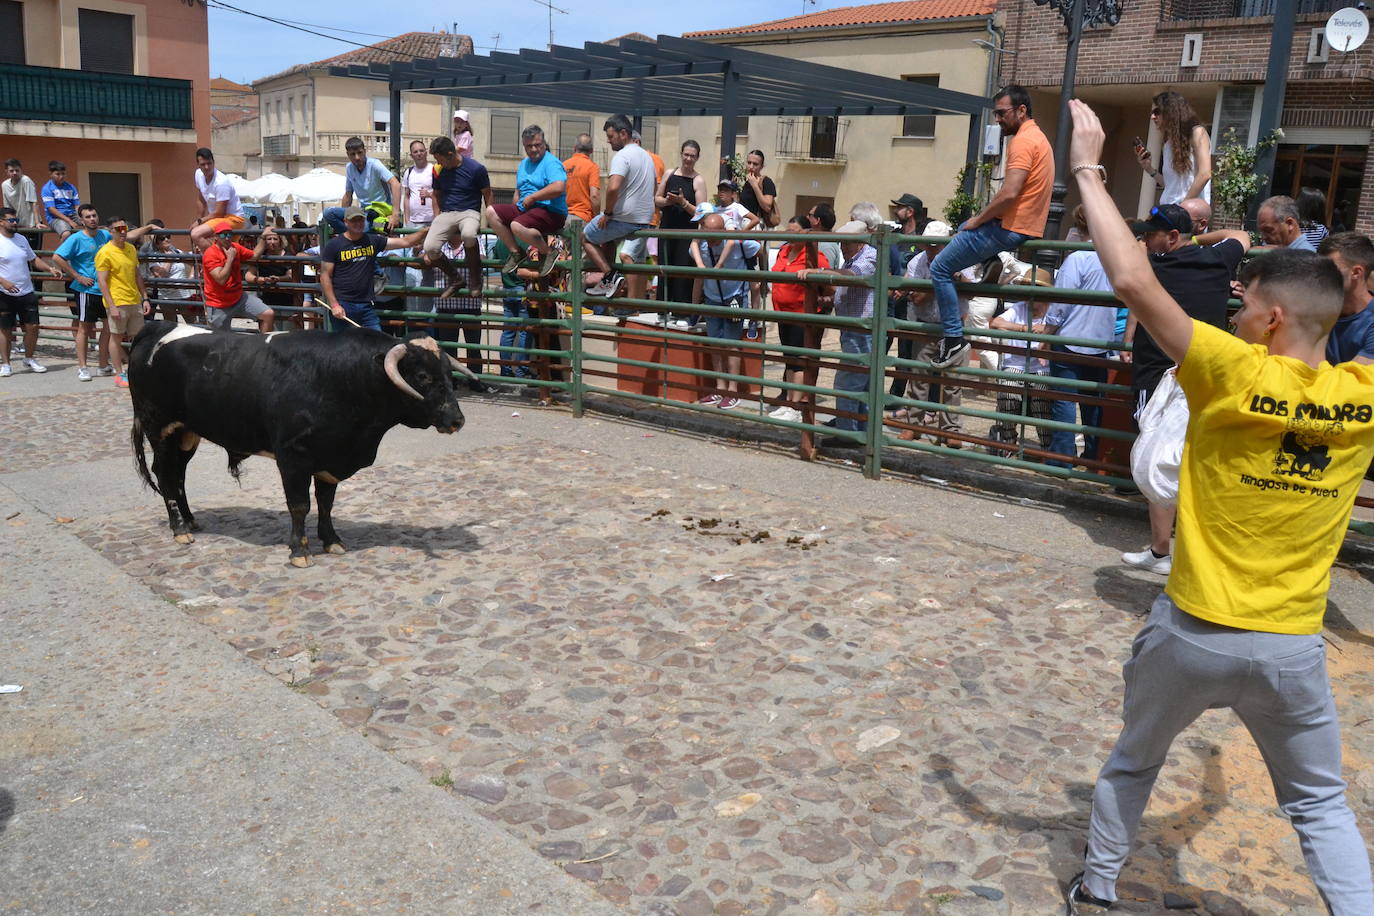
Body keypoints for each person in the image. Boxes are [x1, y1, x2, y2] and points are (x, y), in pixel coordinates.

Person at [1063, 96, 1374, 916]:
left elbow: (1132, 277)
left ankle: (1097, 891)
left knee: (1134, 763)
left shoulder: (1231, 370)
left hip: (1194, 630)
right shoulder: (1365, 393)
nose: (1233, 313)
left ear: (1271, 319)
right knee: (1320, 806)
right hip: (1292, 651)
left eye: (1243, 305)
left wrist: (1088, 166)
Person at [1120, 203, 1248, 575]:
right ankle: (1184, 553)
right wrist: (1200, 241)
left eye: (1151, 235)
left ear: (1172, 237)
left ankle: (1162, 551)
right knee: (1191, 462)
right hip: (1203, 375)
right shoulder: (1217, 261)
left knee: (1157, 458)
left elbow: (1121, 265)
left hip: (1157, 376)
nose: (1144, 242)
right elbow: (1242, 235)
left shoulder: (1153, 267)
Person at [929, 84, 1053, 370]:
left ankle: (953, 339)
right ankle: (990, 264)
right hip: (1024, 226)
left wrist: (979, 219)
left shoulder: (1022, 141)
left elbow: (1009, 193)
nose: (997, 120)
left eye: (1001, 113)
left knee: (940, 267)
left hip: (1008, 227)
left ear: (1022, 110)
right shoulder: (1039, 138)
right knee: (963, 230)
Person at [52, 207, 154, 381]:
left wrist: (149, 227)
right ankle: (83, 367)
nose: (92, 219)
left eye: (94, 215)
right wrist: (77, 276)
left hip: (108, 292)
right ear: (81, 220)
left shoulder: (105, 234)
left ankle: (102, 364)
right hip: (87, 290)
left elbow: (127, 235)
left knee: (108, 329)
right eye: (88, 217)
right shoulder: (76, 238)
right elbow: (57, 257)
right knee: (85, 328)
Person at [798, 220, 876, 446]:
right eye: (842, 243)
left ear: (859, 243)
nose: (842, 247)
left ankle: (849, 434)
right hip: (856, 327)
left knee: (848, 383)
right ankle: (860, 431)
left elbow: (853, 275)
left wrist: (820, 272)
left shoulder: (869, 257)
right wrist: (833, 298)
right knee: (861, 384)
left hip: (860, 329)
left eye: (847, 244)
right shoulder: (857, 256)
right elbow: (853, 287)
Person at [1042, 235, 1117, 467]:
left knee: (1065, 400)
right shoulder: (1116, 260)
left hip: (1071, 337)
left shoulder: (1078, 258)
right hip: (1101, 341)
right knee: (1093, 401)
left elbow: (1061, 300)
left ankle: (1062, 458)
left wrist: (1047, 332)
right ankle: (1093, 457)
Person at [899, 220, 970, 446]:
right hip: (926, 325)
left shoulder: (963, 259)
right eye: (928, 246)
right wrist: (942, 277)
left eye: (935, 246)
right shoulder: (917, 262)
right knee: (919, 378)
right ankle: (914, 425)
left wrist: (947, 279)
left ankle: (949, 429)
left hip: (954, 327)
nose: (930, 250)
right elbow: (915, 297)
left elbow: (971, 291)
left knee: (952, 381)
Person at [690, 211, 760, 410]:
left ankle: (732, 391)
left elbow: (758, 249)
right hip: (712, 299)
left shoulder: (738, 241)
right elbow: (694, 253)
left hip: (734, 299)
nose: (710, 240)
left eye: (714, 236)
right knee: (714, 344)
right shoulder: (701, 243)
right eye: (707, 235)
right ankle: (719, 388)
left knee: (731, 345)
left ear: (724, 230)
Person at [318, 206, 428, 331]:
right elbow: (325, 276)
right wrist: (334, 304)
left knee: (376, 344)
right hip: (343, 303)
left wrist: (426, 231)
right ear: (345, 222)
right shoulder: (334, 245)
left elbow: (406, 242)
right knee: (345, 346)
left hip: (366, 304)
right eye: (353, 220)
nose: (358, 223)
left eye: (360, 220)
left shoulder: (372, 240)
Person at [584, 114, 656, 298]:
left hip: (623, 219)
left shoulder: (622, 156)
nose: (609, 141)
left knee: (583, 236)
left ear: (623, 133)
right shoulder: (647, 157)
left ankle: (609, 275)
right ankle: (634, 306)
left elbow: (613, 187)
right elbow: (654, 187)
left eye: (611, 136)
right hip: (644, 220)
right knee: (636, 260)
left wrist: (607, 212)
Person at [768, 214, 831, 423]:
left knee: (798, 361)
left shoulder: (813, 253)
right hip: (782, 313)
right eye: (789, 231)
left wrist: (813, 272)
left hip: (800, 314)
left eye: (795, 232)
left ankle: (795, 407)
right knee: (789, 357)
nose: (791, 236)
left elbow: (829, 280)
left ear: (806, 233)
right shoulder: (784, 251)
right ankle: (788, 401)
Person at [987, 270, 1056, 452]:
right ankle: (1009, 442)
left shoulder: (1054, 311)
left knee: (1042, 396)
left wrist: (1047, 331)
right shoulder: (1019, 308)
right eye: (1027, 289)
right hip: (1015, 364)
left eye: (1035, 289)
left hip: (1043, 366)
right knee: (1007, 393)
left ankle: (1047, 447)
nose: (1030, 295)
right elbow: (995, 323)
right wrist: (1025, 328)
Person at [486, 125, 567, 278]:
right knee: (491, 211)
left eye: (537, 145)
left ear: (544, 144)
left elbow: (558, 187)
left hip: (551, 211)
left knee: (517, 225)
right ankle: (516, 252)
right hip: (527, 209)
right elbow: (519, 191)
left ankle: (549, 252)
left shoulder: (551, 163)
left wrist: (534, 197)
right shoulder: (523, 164)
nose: (534, 149)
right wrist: (513, 209)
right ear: (524, 146)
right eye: (529, 146)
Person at [423, 135, 493, 295]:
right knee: (430, 247)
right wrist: (437, 217)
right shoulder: (439, 170)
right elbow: (436, 194)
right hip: (447, 213)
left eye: (439, 159)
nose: (438, 163)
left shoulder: (476, 169)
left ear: (450, 154)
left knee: (468, 235)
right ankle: (455, 278)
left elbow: (488, 194)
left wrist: (491, 217)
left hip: (469, 212)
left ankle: (475, 279)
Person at [0, 206, 63, 377]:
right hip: (4, 292)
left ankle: (29, 358)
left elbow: (33, 259)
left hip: (26, 291)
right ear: (1, 221)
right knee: (5, 329)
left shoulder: (21, 239)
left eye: (16, 220)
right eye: (11, 220)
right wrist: (3, 282)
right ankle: (5, 364)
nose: (15, 223)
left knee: (33, 327)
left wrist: (50, 268)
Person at [94, 216, 153, 386]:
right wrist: (112, 306)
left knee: (138, 337)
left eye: (125, 228)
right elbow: (102, 281)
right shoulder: (104, 252)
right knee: (116, 338)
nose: (123, 232)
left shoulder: (130, 248)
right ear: (110, 232)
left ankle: (136, 369)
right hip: (117, 301)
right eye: (119, 229)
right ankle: (119, 373)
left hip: (134, 299)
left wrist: (145, 298)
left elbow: (137, 275)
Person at [886, 193, 930, 400]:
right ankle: (873, 394)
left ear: (910, 212)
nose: (896, 210)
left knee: (905, 352)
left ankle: (896, 396)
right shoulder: (893, 235)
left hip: (910, 303)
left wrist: (903, 287)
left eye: (900, 207)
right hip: (889, 299)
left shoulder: (922, 236)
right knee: (880, 346)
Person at [654, 140, 707, 309]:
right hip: (667, 228)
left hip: (687, 232)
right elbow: (657, 199)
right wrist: (669, 202)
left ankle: (681, 311)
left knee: (683, 269)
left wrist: (683, 202)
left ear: (698, 158)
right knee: (664, 267)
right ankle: (663, 308)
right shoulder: (670, 173)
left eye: (692, 156)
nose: (688, 159)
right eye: (686, 154)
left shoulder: (698, 180)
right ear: (681, 154)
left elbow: (701, 213)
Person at [1135, 91, 1212, 204]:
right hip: (1169, 210)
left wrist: (1182, 207)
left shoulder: (1197, 133)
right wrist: (1149, 169)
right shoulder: (1168, 144)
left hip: (1188, 213)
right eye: (1152, 113)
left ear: (1171, 112)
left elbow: (1205, 174)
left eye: (1157, 112)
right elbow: (1171, 187)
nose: (1152, 117)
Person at [617, 130, 666, 302]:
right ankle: (639, 302)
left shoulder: (641, 158)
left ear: (635, 141)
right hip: (646, 217)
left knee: (629, 256)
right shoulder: (654, 159)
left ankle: (633, 303)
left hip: (640, 218)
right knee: (639, 260)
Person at [201, 219, 273, 333]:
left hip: (238, 298)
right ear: (216, 237)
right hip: (218, 303)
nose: (227, 237)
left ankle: (263, 346)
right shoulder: (211, 254)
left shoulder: (235, 247)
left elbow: (254, 255)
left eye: (230, 234)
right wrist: (230, 259)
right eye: (223, 234)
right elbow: (221, 280)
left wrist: (263, 237)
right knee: (221, 342)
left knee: (268, 314)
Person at [323, 137, 402, 237]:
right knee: (328, 213)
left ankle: (354, 235)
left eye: (360, 153)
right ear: (348, 155)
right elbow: (348, 195)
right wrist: (346, 219)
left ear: (365, 151)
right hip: (361, 212)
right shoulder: (349, 168)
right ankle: (351, 235)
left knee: (371, 225)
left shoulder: (374, 164)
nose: (357, 157)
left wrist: (395, 215)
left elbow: (395, 184)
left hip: (379, 212)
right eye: (352, 154)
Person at [1317, 232, 1374, 365]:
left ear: (1356, 273)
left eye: (1328, 270)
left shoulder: (1370, 323)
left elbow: (1352, 381)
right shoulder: (1318, 310)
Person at [189, 148, 248, 249]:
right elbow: (201, 200)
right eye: (203, 164)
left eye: (209, 163)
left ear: (214, 162)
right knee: (202, 238)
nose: (207, 167)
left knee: (196, 234)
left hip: (233, 219)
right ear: (198, 165)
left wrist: (199, 222)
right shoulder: (198, 174)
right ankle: (218, 258)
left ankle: (216, 256)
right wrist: (199, 220)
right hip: (218, 219)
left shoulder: (221, 182)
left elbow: (220, 212)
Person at [251, 228, 301, 326]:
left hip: (287, 300)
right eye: (269, 239)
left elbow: (291, 275)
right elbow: (249, 273)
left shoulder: (287, 255)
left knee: (287, 331)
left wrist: (279, 279)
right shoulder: (260, 256)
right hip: (267, 300)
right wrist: (258, 279)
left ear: (280, 241)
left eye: (275, 239)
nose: (272, 242)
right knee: (271, 331)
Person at [145, 232, 196, 322]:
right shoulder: (154, 257)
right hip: (166, 298)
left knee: (192, 323)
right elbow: (160, 275)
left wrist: (190, 278)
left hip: (184, 296)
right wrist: (169, 259)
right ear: (157, 243)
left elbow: (194, 263)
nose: (166, 239)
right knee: (170, 325)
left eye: (168, 237)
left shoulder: (177, 252)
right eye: (162, 238)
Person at [562, 133, 601, 224]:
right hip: (583, 218)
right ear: (591, 150)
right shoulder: (592, 167)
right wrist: (597, 218)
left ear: (574, 148)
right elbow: (594, 196)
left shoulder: (563, 165)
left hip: (562, 217)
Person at [3, 160, 41, 244]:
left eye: (17, 170)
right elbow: (8, 208)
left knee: (34, 252)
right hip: (16, 224)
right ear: (7, 172)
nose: (15, 173)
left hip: (32, 223)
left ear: (21, 170)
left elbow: (34, 202)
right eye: (11, 171)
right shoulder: (5, 185)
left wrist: (37, 222)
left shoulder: (26, 181)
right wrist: (11, 222)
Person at [41, 161, 81, 241]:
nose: (61, 176)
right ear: (51, 174)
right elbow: (51, 209)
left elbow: (77, 205)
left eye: (63, 174)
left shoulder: (71, 187)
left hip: (72, 215)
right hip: (55, 218)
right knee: (66, 234)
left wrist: (81, 217)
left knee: (90, 223)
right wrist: (69, 221)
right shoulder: (47, 188)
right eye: (58, 174)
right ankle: (62, 253)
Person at [739, 150, 778, 229]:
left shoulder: (766, 182)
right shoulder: (746, 182)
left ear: (761, 166)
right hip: (744, 224)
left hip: (758, 226)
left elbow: (767, 207)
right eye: (749, 163)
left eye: (755, 164)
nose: (751, 167)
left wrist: (755, 186)